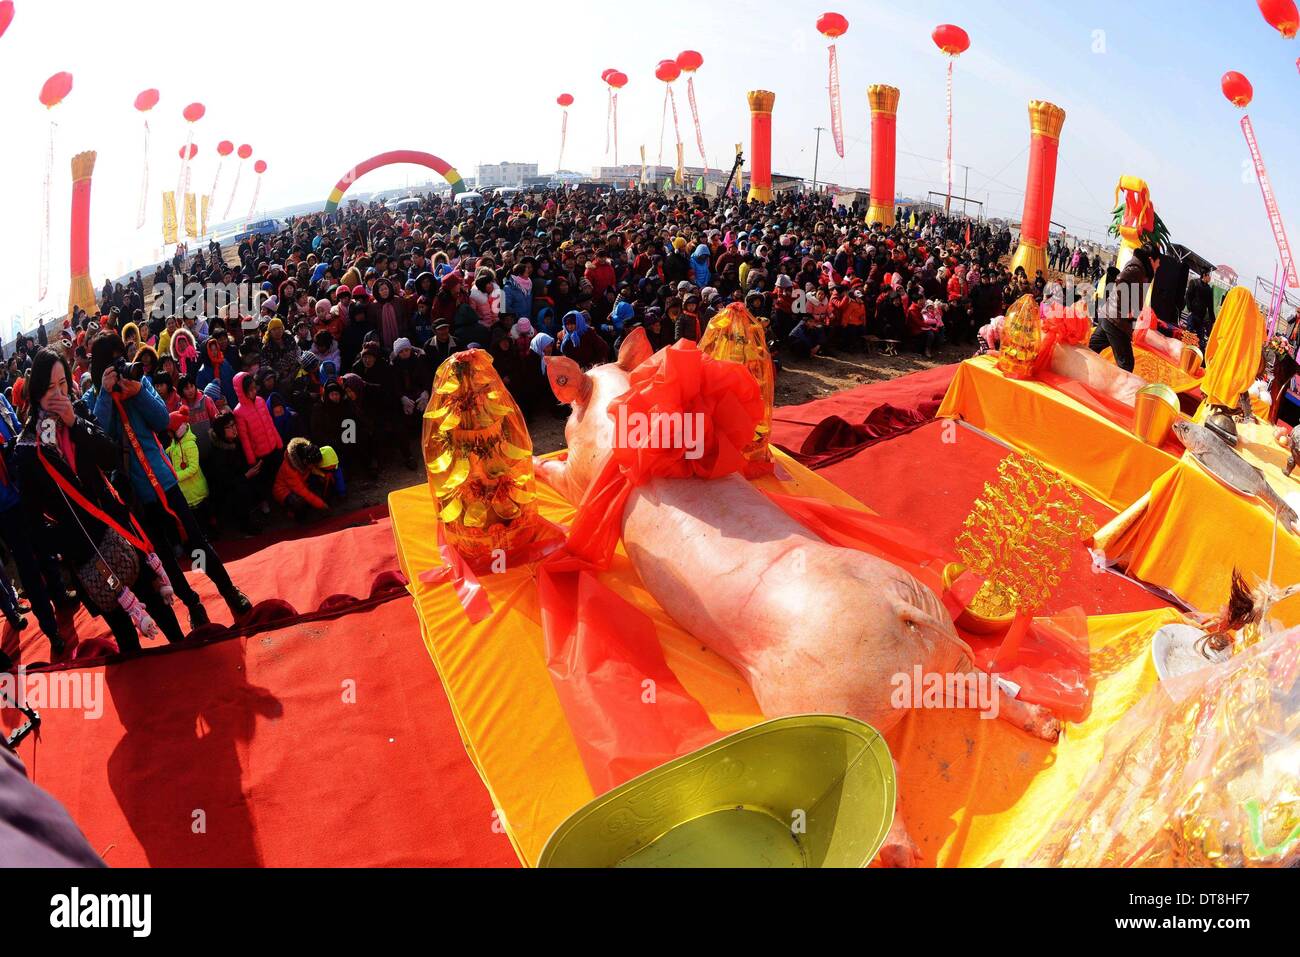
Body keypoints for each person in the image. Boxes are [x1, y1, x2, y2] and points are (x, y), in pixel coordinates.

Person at [16, 348, 185, 653]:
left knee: (155, 599)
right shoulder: (28, 447)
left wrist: (74, 423)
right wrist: (71, 541)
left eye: (64, 385)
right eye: (51, 388)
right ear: (37, 391)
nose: (60, 394)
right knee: (121, 622)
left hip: (119, 531)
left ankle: (185, 655)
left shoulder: (77, 411)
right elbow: (33, 524)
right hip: (88, 557)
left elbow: (109, 456)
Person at [90, 334, 251, 630]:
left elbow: (163, 421)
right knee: (164, 558)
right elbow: (101, 441)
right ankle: (193, 604)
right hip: (138, 494)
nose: (121, 364)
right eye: (112, 361)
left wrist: (137, 390)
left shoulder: (140, 382)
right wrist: (104, 393)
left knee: (196, 543)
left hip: (164, 481)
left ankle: (230, 593)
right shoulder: (95, 398)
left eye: (121, 356)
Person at [1099, 245, 1160, 372]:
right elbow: (1121, 280)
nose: (1158, 266)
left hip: (1110, 316)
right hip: (1117, 321)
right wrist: (1128, 308)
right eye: (1158, 262)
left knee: (1093, 347)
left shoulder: (1142, 269)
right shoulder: (1138, 268)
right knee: (1126, 364)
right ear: (1150, 259)